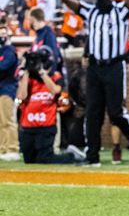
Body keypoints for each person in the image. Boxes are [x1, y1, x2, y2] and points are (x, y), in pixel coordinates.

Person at [44, 0, 129, 167]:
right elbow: (65, 0)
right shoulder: (90, 12)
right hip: (95, 68)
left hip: (115, 66)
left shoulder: (121, 11)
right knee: (92, 113)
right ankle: (92, 157)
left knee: (116, 113)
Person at [16, 46, 84, 164]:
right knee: (29, 160)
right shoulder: (28, 79)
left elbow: (55, 91)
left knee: (45, 158)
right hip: (28, 126)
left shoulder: (55, 76)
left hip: (45, 125)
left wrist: (41, 72)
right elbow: (21, 96)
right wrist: (26, 71)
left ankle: (72, 156)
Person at [0, 25, 19, 161]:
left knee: (7, 120)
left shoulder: (9, 51)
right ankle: (3, 148)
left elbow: (3, 66)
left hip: (7, 89)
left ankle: (12, 148)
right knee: (1, 122)